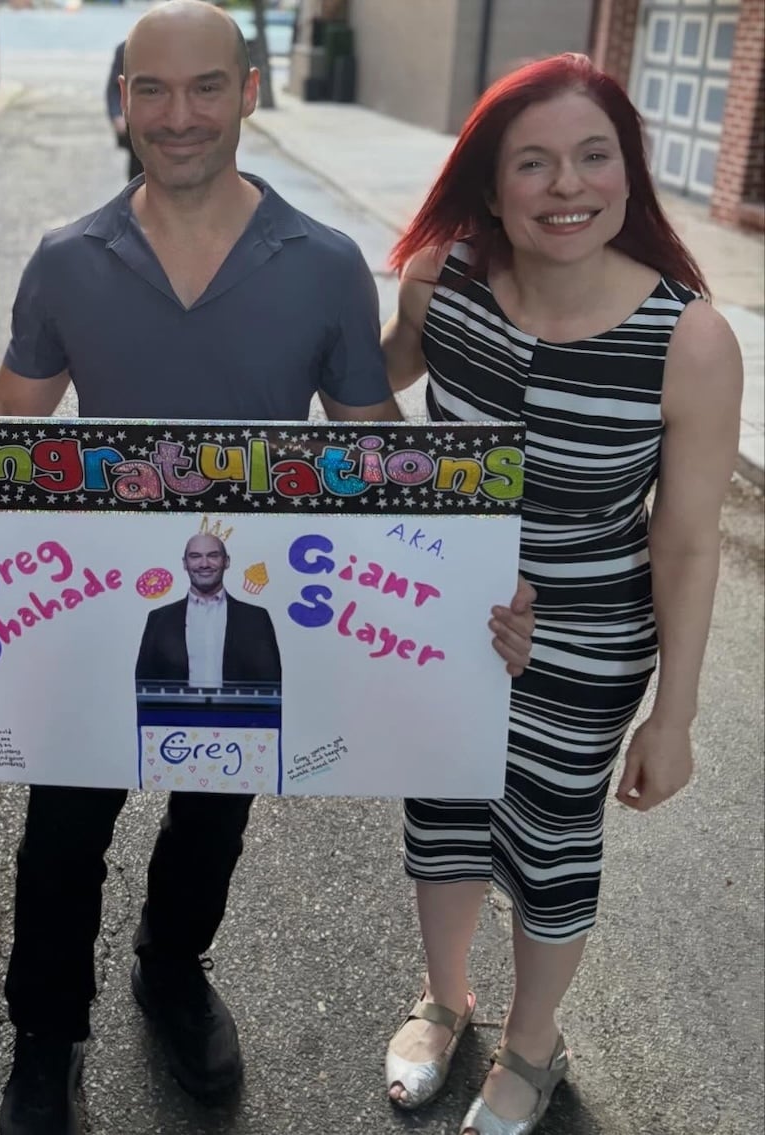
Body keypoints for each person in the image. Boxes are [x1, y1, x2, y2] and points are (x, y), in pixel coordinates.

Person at [0, 4, 534, 1133]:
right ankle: (47, 1036)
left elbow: (371, 440)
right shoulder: (66, 259)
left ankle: (170, 967)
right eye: (151, 90)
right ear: (123, 97)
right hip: (92, 617)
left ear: (248, 90)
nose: (176, 116)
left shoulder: (326, 264)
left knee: (214, 814)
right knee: (61, 835)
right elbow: (7, 417)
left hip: (246, 612)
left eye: (203, 89)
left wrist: (471, 577)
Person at [379, 53, 742, 1134]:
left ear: (630, 174)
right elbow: (361, 394)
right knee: (442, 818)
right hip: (444, 619)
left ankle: (533, 1047)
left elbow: (683, 547)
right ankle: (446, 998)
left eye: (594, 156)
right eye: (531, 163)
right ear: (490, 186)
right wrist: (413, 542)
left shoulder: (690, 341)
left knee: (548, 838)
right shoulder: (441, 280)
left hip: (587, 642)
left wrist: (672, 719)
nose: (567, 184)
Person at [135, 531, 281, 689]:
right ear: (185, 563)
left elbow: (272, 682)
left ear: (227, 561)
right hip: (177, 714)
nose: (204, 564)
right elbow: (143, 682)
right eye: (195, 556)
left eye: (213, 555)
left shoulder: (256, 619)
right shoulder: (159, 619)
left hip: (238, 714)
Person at [106, 39, 144, 182]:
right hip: (135, 124)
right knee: (137, 172)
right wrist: (116, 115)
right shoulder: (125, 49)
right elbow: (113, 88)